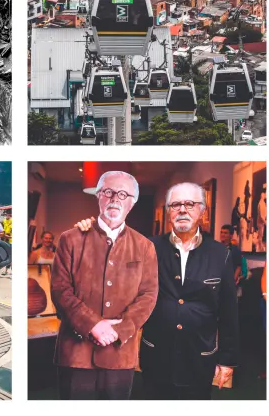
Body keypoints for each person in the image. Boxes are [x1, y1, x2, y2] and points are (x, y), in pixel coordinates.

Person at [52, 171, 159, 400]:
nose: (115, 199)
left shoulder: (145, 246)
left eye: (123, 194)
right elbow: (60, 289)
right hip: (75, 354)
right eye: (108, 192)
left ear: (133, 202)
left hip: (120, 353)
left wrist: (120, 330)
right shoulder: (70, 239)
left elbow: (148, 295)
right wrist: (93, 324)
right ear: (98, 196)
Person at [139, 182, 238, 399]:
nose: (182, 209)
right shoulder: (149, 248)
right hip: (156, 357)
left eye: (190, 204)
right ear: (168, 212)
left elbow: (229, 311)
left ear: (202, 211)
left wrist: (227, 359)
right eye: (175, 204)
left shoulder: (220, 253)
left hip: (199, 360)